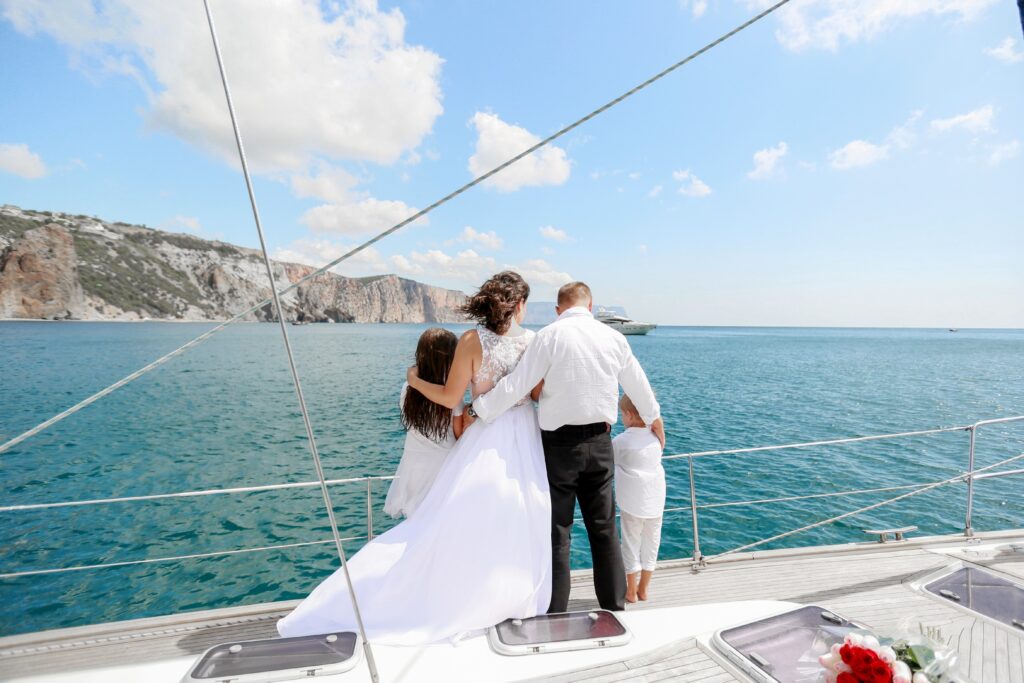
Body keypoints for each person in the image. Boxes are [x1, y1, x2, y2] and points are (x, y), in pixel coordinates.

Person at [277, 271, 550, 645]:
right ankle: (508, 597)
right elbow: (537, 393)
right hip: (525, 435)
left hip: (487, 435)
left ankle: (459, 594)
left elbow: (450, 395)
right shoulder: (536, 341)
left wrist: (415, 380)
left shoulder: (472, 340)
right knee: (520, 515)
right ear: (519, 305)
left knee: (462, 518)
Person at [470, 281, 663, 613]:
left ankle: (556, 610)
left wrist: (480, 410)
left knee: (558, 533)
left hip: (559, 447)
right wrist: (654, 419)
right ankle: (615, 606)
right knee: (604, 530)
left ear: (559, 310)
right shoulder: (613, 338)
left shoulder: (549, 336)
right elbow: (638, 384)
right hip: (600, 443)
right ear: (590, 306)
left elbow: (518, 384)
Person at [383, 327, 464, 519]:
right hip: (441, 468)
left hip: (413, 466)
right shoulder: (452, 398)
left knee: (415, 523)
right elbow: (459, 435)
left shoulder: (407, 389)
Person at [613, 393, 665, 603]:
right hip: (655, 500)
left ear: (630, 415)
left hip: (632, 502)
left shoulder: (621, 441)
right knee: (652, 542)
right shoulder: (655, 439)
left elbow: (608, 459)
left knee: (630, 543)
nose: (622, 419)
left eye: (623, 415)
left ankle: (631, 591)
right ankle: (644, 589)